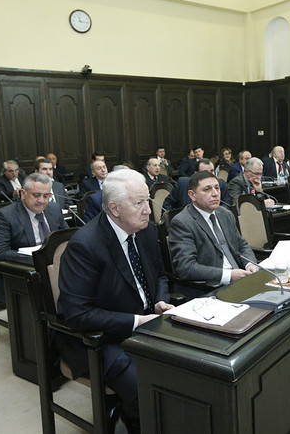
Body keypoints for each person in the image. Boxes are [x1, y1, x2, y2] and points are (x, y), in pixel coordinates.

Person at [56, 169, 173, 431]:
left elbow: (160, 276)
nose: (148, 210)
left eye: (148, 201)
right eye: (139, 203)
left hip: (147, 321)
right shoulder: (85, 246)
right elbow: (77, 314)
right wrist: (137, 321)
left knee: (190, 369)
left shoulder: (145, 230)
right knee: (147, 389)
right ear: (114, 209)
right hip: (100, 338)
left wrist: (159, 301)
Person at [168, 171, 259, 287]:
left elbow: (242, 245)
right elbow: (186, 267)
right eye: (207, 189)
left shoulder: (225, 214)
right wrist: (228, 275)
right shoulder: (182, 222)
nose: (215, 193)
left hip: (242, 278)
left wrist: (250, 264)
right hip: (210, 287)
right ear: (192, 195)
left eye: (217, 188)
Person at [0, 172, 68, 265]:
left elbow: (67, 239)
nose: (41, 200)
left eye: (46, 196)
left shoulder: (54, 209)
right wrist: (36, 257)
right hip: (28, 267)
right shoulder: (6, 215)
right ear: (23, 194)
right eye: (36, 195)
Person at [163, 159, 230, 210]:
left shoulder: (221, 184)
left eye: (212, 171)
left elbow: (227, 204)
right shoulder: (183, 184)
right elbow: (167, 204)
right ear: (196, 173)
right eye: (205, 172)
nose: (210, 175)